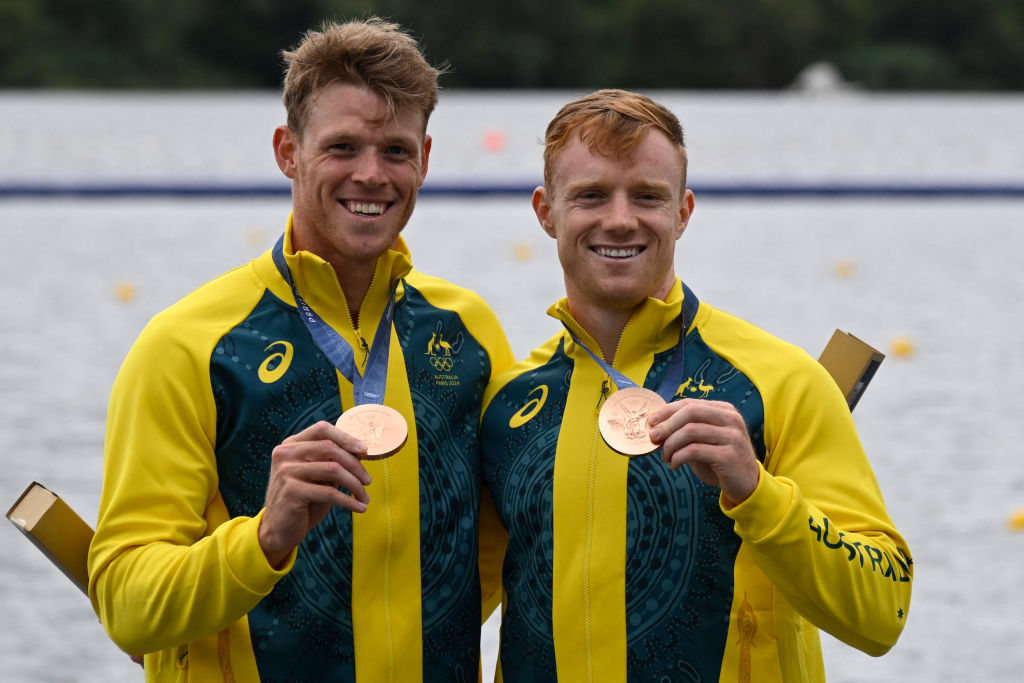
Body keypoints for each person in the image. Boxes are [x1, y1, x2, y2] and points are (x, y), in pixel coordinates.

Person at [88, 18, 513, 682]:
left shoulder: (469, 332)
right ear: (288, 151)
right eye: (343, 146)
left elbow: (493, 554)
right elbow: (125, 605)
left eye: (396, 151)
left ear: (425, 159)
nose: (371, 175)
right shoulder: (188, 346)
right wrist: (264, 537)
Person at [479, 89, 912, 682]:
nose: (620, 218)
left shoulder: (781, 382)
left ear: (683, 212)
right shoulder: (507, 402)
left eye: (648, 197)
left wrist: (758, 493)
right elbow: (442, 607)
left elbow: (882, 613)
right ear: (544, 211)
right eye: (591, 195)